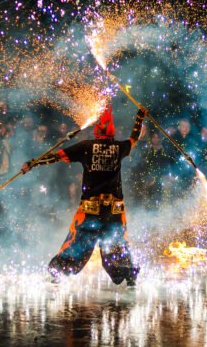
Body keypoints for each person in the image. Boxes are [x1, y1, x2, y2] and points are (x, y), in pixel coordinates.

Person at [21, 105, 147, 286]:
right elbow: (135, 138)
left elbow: (57, 156)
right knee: (116, 245)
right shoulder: (119, 147)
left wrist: (33, 163)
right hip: (114, 211)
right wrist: (140, 117)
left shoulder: (87, 146)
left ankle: (57, 273)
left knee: (78, 244)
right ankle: (129, 277)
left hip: (91, 211)